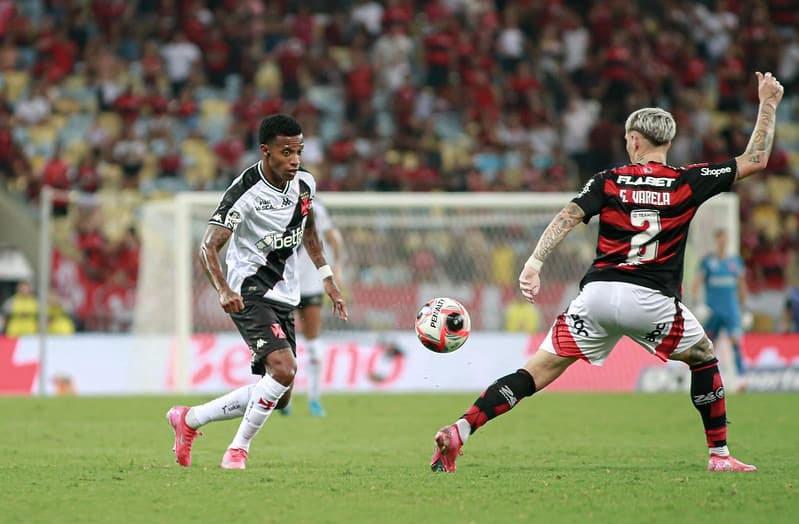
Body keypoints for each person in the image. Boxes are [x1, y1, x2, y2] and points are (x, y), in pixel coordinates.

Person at [430, 71, 784, 474]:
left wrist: (534, 262)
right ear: (667, 143)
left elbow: (567, 216)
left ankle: (461, 429)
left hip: (596, 298)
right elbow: (755, 160)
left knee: (535, 372)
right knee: (703, 357)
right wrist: (768, 104)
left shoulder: (609, 180)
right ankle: (719, 455)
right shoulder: (688, 181)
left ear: (634, 140)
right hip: (651, 300)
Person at [166, 114, 348, 470]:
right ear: (266, 151)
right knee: (283, 369)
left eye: (298, 151)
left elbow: (309, 231)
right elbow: (208, 246)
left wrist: (326, 276)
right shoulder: (245, 192)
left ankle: (190, 418)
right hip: (248, 289)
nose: (294, 160)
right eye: (286, 152)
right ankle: (238, 450)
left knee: (280, 392)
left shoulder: (305, 183)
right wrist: (223, 289)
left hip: (286, 293)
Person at [285, 198, 346, 417]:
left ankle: (313, 398)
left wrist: (337, 267)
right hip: (284, 283)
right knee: (284, 345)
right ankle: (285, 398)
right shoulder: (275, 203)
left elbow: (334, 238)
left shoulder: (316, 208)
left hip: (309, 283)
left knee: (310, 344)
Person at [691, 229, 748, 387]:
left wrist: (744, 308)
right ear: (716, 240)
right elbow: (696, 283)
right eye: (720, 239)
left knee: (735, 342)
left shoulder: (735, 262)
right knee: (708, 345)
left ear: (728, 240)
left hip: (731, 311)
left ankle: (740, 378)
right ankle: (705, 378)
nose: (722, 241)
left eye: (725, 238)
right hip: (713, 311)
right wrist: (697, 304)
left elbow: (742, 286)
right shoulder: (708, 262)